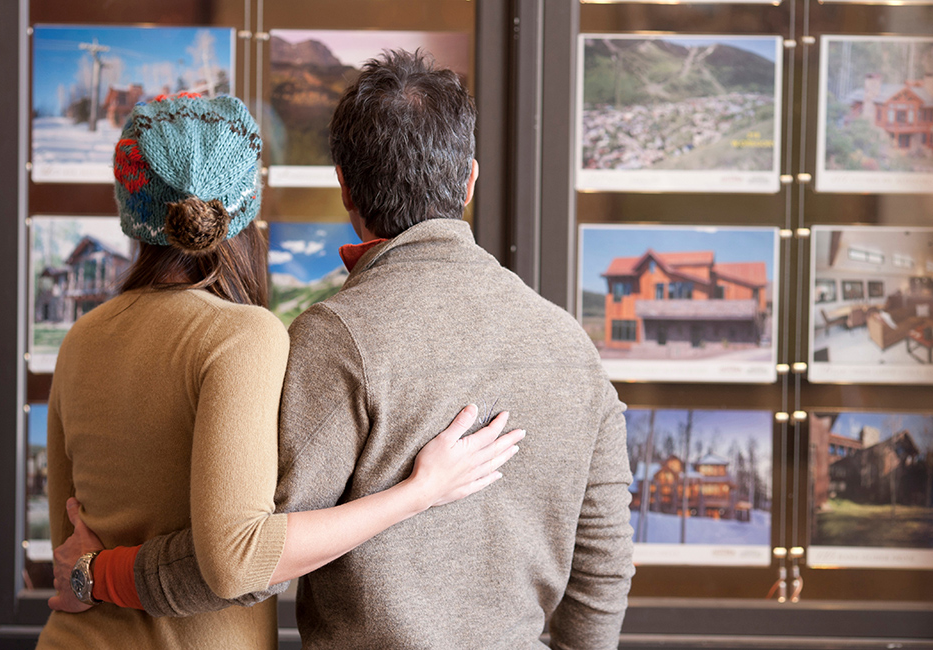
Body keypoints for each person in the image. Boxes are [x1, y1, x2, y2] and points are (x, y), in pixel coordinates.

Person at [54, 51, 635, 649]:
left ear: (344, 188)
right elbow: (604, 567)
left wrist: (102, 574)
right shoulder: (572, 346)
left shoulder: (337, 337)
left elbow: (246, 562)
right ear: (469, 179)